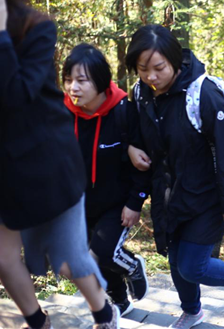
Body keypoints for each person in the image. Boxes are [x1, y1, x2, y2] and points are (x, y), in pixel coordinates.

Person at [0, 0, 119, 329]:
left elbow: (17, 96)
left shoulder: (35, 28)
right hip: (3, 166)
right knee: (4, 257)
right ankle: (38, 323)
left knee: (70, 258)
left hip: (49, 163)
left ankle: (104, 314)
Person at [125, 24, 224, 328]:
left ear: (174, 60)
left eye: (159, 68)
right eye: (143, 70)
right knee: (175, 260)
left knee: (192, 266)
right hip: (168, 192)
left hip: (206, 194)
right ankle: (192, 309)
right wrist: (133, 148)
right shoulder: (141, 93)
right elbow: (138, 136)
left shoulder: (203, 93)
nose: (151, 77)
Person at [62, 43, 151, 316]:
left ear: (100, 82)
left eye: (81, 80)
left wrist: (135, 202)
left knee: (103, 252)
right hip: (78, 203)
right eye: (68, 80)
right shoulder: (62, 113)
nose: (73, 88)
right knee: (91, 259)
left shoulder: (124, 111)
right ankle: (119, 301)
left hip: (117, 201)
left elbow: (143, 164)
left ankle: (133, 266)